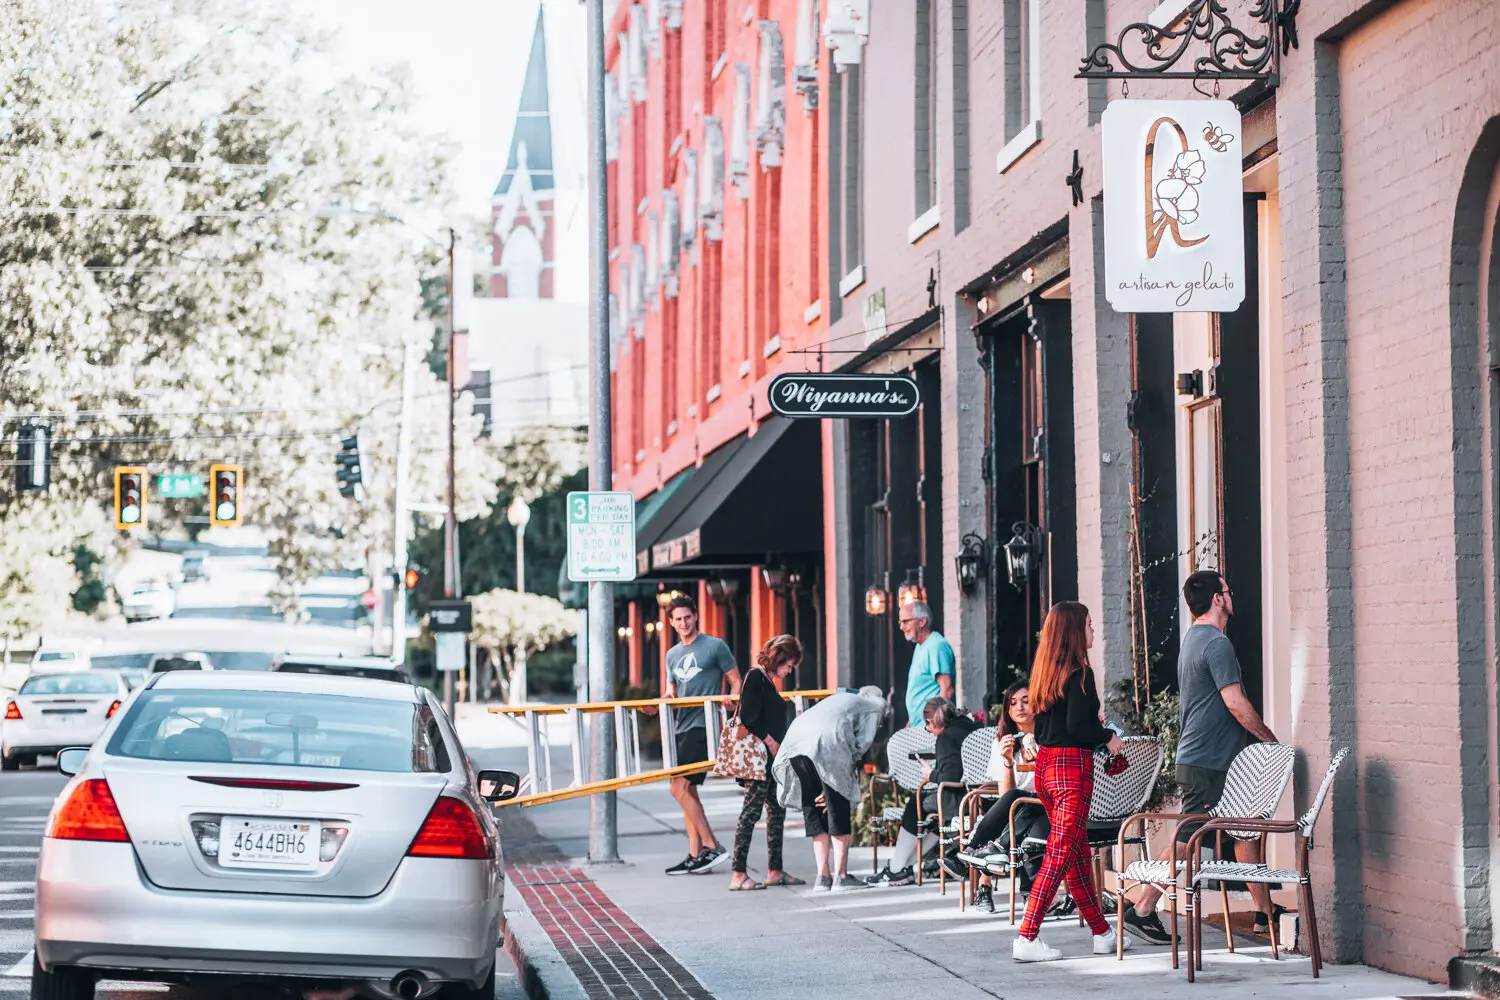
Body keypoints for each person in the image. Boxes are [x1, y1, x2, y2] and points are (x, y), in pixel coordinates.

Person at [1121, 570, 1281, 945]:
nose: (1231, 594)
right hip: (1206, 762)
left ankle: (1263, 912)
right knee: (1187, 839)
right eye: (1227, 589)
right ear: (1217, 599)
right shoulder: (1216, 644)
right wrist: (1269, 740)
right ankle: (1143, 908)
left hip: (1211, 760)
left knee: (1245, 827)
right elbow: (1234, 702)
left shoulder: (1193, 639)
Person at [1012, 601, 1130, 963]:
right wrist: (1108, 737)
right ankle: (1027, 936)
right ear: (1075, 631)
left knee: (1077, 856)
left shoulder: (1045, 673)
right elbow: (1080, 727)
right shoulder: (1079, 672)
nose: (1094, 630)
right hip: (1071, 772)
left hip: (1047, 768)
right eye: (1090, 625)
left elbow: (1053, 726)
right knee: (1060, 854)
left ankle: (1102, 933)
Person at [772, 685, 887, 892]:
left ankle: (822, 877)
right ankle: (842, 876)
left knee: (815, 810)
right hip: (827, 745)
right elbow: (862, 743)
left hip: (797, 743)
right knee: (837, 809)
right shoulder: (874, 707)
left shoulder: (842, 699)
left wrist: (826, 786)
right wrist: (838, 782)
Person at [953, 680, 1050, 913]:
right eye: (1013, 703)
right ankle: (1026, 894)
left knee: (1019, 809)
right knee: (1016, 804)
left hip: (1045, 805)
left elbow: (1047, 786)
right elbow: (1006, 795)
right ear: (1007, 710)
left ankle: (970, 858)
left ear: (1037, 705)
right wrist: (1007, 761)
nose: (1020, 707)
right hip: (1017, 809)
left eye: (1026, 701)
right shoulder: (1004, 742)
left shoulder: (1049, 738)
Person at [662, 594, 741, 876]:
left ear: (696, 616)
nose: (684, 623)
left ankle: (711, 845)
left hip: (703, 726)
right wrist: (656, 703)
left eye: (687, 617)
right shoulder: (672, 654)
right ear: (671, 622)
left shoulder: (715, 646)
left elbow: (735, 680)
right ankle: (696, 855)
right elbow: (671, 692)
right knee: (688, 790)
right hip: (681, 726)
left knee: (677, 788)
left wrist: (731, 700)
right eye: (678, 619)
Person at [866, 696, 978, 887]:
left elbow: (951, 778)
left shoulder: (946, 737)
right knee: (932, 818)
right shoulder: (972, 727)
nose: (929, 732)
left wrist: (931, 774)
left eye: (928, 727)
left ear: (930, 721)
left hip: (960, 800)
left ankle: (896, 871)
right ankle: (903, 867)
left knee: (916, 803)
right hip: (982, 797)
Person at [727, 634, 805, 891]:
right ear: (779, 657)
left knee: (777, 810)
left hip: (769, 761)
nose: (789, 671)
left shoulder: (768, 681)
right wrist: (772, 742)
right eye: (788, 665)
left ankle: (775, 869)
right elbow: (749, 717)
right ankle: (738, 873)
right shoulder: (756, 677)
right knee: (751, 812)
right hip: (758, 759)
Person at [899, 601, 954, 728]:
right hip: (919, 726)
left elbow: (947, 689)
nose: (901, 627)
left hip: (932, 727)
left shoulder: (936, 645)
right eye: (900, 622)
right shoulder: (920, 646)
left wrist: (934, 723)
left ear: (922, 622)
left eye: (906, 621)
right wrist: (912, 721)